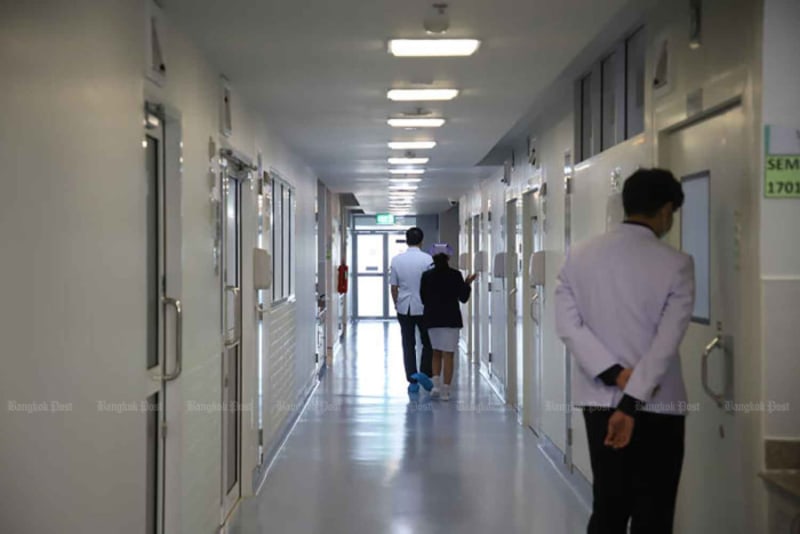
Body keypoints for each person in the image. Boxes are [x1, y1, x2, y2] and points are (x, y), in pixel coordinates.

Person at [554, 168, 695, 534]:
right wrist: (632, 399)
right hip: (659, 404)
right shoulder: (677, 264)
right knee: (655, 512)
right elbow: (667, 342)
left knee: (609, 507)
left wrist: (615, 375)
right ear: (666, 211)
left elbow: (569, 327)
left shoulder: (578, 257)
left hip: (601, 401)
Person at [419, 243, 477, 401]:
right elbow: (463, 298)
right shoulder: (455, 275)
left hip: (432, 319)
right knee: (448, 355)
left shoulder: (426, 276)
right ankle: (446, 390)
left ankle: (436, 386)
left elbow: (423, 298)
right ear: (448, 257)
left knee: (436, 352)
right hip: (451, 319)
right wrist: (467, 283)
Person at [389, 227, 434, 394]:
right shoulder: (428, 259)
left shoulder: (397, 260)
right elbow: (431, 285)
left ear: (406, 240)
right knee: (427, 342)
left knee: (408, 343)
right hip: (424, 307)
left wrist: (396, 304)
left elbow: (394, 287)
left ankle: (412, 378)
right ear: (422, 241)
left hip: (404, 307)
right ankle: (424, 372)